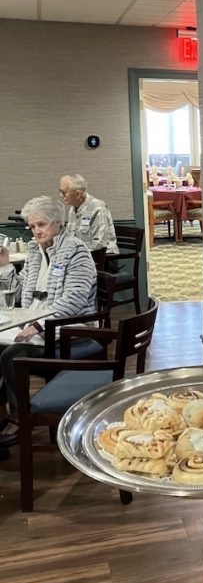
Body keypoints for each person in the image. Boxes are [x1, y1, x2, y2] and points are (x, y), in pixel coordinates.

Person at [0, 196, 96, 447]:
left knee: (12, 355)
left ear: (58, 223)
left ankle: (21, 419)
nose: (37, 231)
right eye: (32, 226)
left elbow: (74, 301)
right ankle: (4, 412)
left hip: (70, 328)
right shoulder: (35, 252)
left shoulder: (76, 251)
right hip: (39, 325)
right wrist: (6, 266)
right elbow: (22, 295)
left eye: (41, 224)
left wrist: (38, 325)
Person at [59, 174, 119, 254]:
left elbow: (99, 244)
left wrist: (76, 255)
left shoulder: (98, 208)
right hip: (81, 256)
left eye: (63, 192)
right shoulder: (73, 209)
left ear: (77, 194)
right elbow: (69, 238)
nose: (61, 195)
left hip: (102, 258)